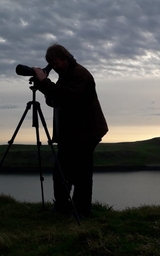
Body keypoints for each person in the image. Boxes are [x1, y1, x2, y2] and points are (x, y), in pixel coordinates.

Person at [33, 44, 108, 217]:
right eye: (52, 64)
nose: (54, 67)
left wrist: (45, 83)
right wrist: (46, 87)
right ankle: (62, 207)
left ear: (65, 59)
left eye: (56, 63)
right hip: (71, 133)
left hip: (86, 132)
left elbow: (68, 97)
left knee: (81, 174)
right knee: (61, 172)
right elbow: (55, 100)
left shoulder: (80, 74)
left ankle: (82, 211)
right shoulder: (66, 74)